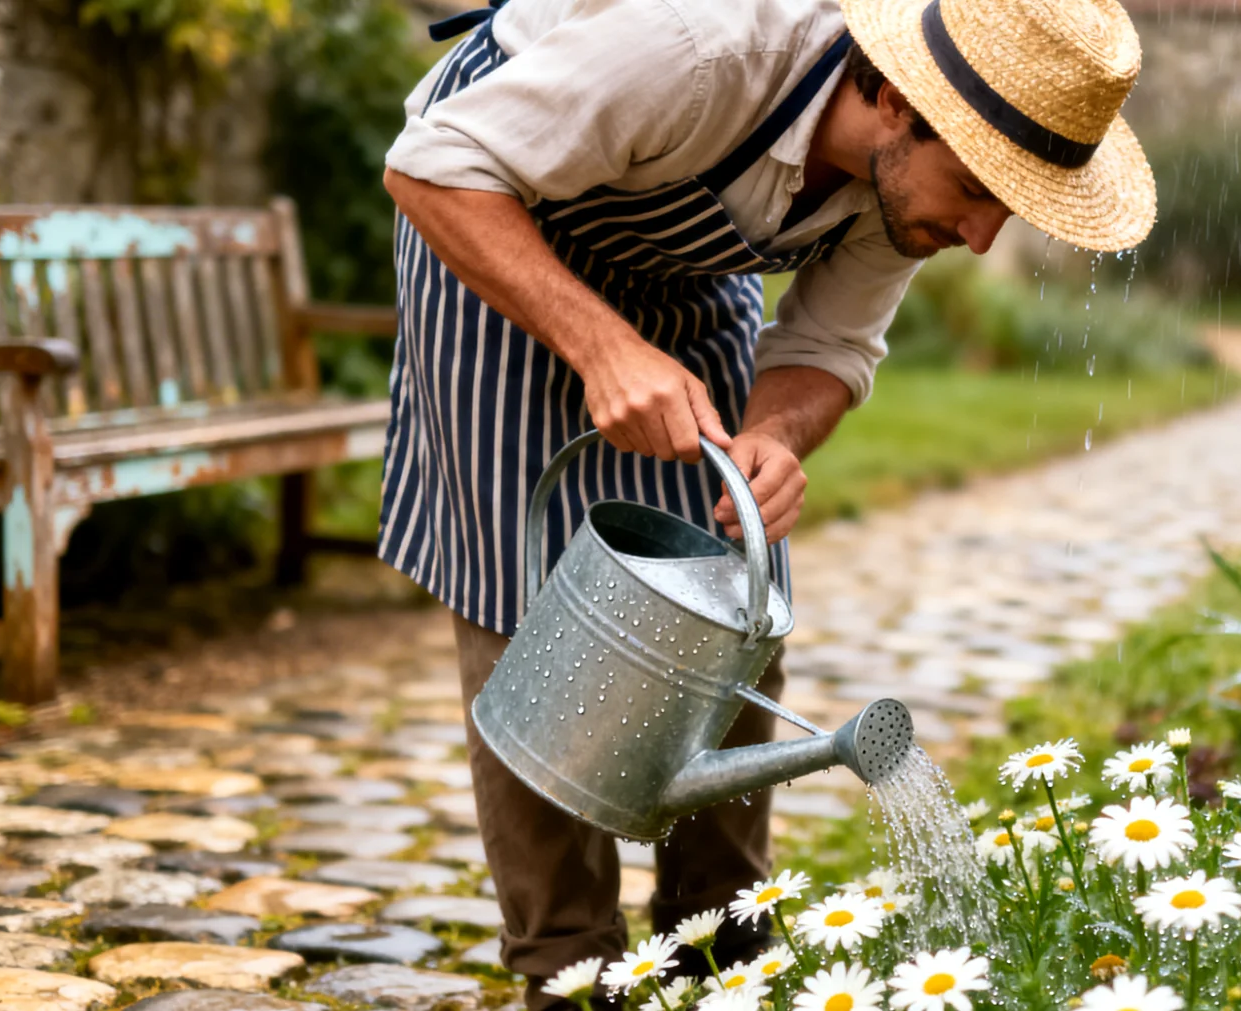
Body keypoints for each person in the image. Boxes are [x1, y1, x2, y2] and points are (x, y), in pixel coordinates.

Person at [379, 0, 1155, 1002]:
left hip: (686, 267)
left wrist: (775, 439)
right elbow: (430, 166)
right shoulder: (700, 49)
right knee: (531, 606)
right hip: (493, 210)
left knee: (737, 593)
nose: (979, 236)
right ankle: (567, 967)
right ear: (891, 99)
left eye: (1010, 205)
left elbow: (828, 347)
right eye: (975, 190)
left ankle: (723, 950)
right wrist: (603, 346)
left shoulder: (901, 188)